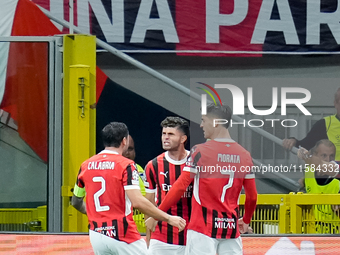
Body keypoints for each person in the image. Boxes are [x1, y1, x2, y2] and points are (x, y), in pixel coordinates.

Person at [146, 104, 258, 255]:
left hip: (202, 228)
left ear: (215, 122)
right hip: (230, 229)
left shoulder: (200, 151)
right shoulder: (244, 155)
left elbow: (180, 186)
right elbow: (252, 197)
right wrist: (245, 220)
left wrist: (158, 214)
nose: (201, 125)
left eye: (204, 120)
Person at [71, 122, 186, 255]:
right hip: (122, 233)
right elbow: (137, 201)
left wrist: (96, 215)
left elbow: (76, 201)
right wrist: (169, 218)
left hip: (96, 234)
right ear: (124, 141)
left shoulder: (85, 165)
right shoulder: (126, 165)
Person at [144, 116, 192, 255]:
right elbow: (149, 202)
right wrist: (149, 235)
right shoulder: (153, 165)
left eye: (171, 134)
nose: (165, 137)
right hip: (161, 237)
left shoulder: (196, 163)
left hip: (193, 235)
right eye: (164, 133)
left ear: (183, 139)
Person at [283, 88, 340, 161]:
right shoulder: (324, 124)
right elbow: (305, 146)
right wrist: (293, 141)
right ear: (335, 103)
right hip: (331, 171)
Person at [302, 139, 340, 233]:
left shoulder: (337, 177)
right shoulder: (308, 172)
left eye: (331, 156)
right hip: (312, 234)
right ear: (316, 156)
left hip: (334, 237)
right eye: (323, 155)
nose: (328, 160)